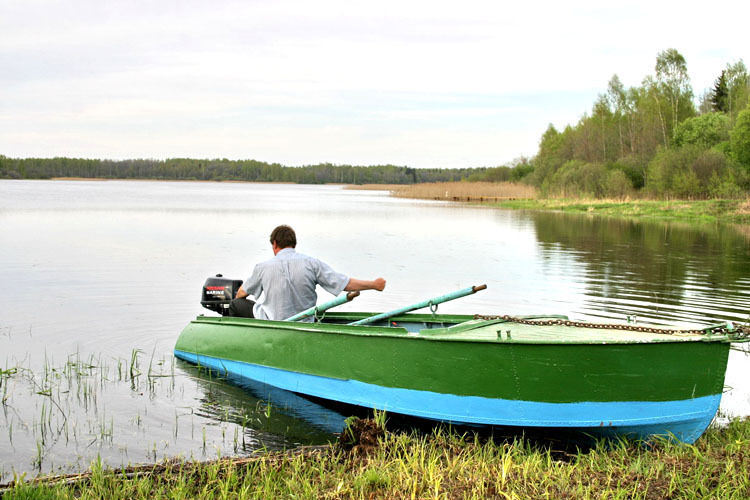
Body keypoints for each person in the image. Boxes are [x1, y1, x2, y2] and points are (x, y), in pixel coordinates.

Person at [229, 225, 386, 321]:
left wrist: (240, 294)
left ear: (275, 244)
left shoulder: (262, 267)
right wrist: (373, 284)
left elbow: (242, 293)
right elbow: (344, 284)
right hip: (304, 323)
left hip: (273, 323)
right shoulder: (312, 263)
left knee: (235, 304)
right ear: (294, 244)